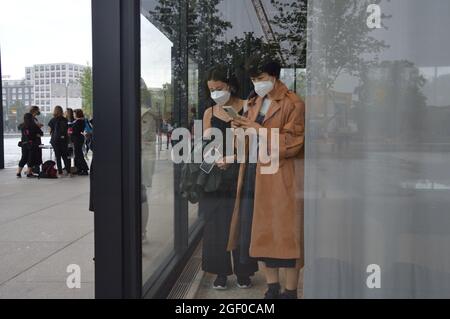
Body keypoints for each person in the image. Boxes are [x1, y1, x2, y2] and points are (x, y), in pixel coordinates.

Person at [228, 55, 305, 299]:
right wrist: (239, 127)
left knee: (286, 234)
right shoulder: (255, 101)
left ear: (274, 76)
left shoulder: (294, 103)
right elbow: (251, 137)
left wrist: (257, 129)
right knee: (261, 232)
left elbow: (293, 143)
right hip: (255, 171)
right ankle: (272, 288)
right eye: (253, 79)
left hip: (281, 175)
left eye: (260, 78)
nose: (257, 83)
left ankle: (290, 291)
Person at [200, 65, 258, 290]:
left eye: (219, 88)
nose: (215, 93)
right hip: (216, 176)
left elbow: (258, 143)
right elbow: (204, 145)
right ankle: (220, 272)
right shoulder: (210, 112)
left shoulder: (248, 108)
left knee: (242, 221)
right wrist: (214, 158)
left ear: (230, 85)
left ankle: (244, 271)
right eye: (212, 90)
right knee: (216, 224)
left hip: (241, 172)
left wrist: (234, 157)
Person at [17, 113, 44, 178]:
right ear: (31, 118)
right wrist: (36, 134)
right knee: (31, 159)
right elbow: (41, 133)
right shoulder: (34, 125)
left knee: (23, 158)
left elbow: (19, 127)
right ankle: (29, 173)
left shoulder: (22, 125)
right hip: (32, 144)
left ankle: (18, 172)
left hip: (24, 144)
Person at [48, 106, 71, 176]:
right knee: (65, 156)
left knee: (57, 156)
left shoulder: (52, 120)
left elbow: (50, 131)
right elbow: (68, 131)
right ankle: (68, 171)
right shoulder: (65, 120)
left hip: (55, 141)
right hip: (64, 140)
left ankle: (60, 172)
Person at [71, 109, 89, 175]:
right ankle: (79, 169)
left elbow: (75, 130)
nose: (73, 115)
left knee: (79, 154)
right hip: (78, 138)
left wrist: (70, 131)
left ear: (77, 114)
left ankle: (84, 169)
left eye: (74, 113)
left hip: (77, 138)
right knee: (77, 154)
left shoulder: (79, 121)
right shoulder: (81, 121)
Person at [29, 106, 44, 173]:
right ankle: (32, 169)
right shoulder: (31, 119)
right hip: (34, 139)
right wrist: (38, 127)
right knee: (34, 154)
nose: (39, 112)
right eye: (38, 110)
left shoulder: (34, 119)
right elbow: (32, 129)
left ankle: (35, 169)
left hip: (37, 139)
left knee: (37, 154)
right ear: (35, 111)